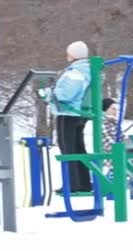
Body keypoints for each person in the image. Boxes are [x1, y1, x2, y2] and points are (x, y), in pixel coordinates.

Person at [40, 41, 92, 192]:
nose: (67, 55)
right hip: (78, 113)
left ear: (74, 55)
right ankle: (83, 183)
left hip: (68, 113)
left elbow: (66, 94)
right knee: (78, 148)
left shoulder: (75, 73)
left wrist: (47, 94)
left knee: (68, 149)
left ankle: (74, 184)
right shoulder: (86, 70)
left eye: (69, 52)